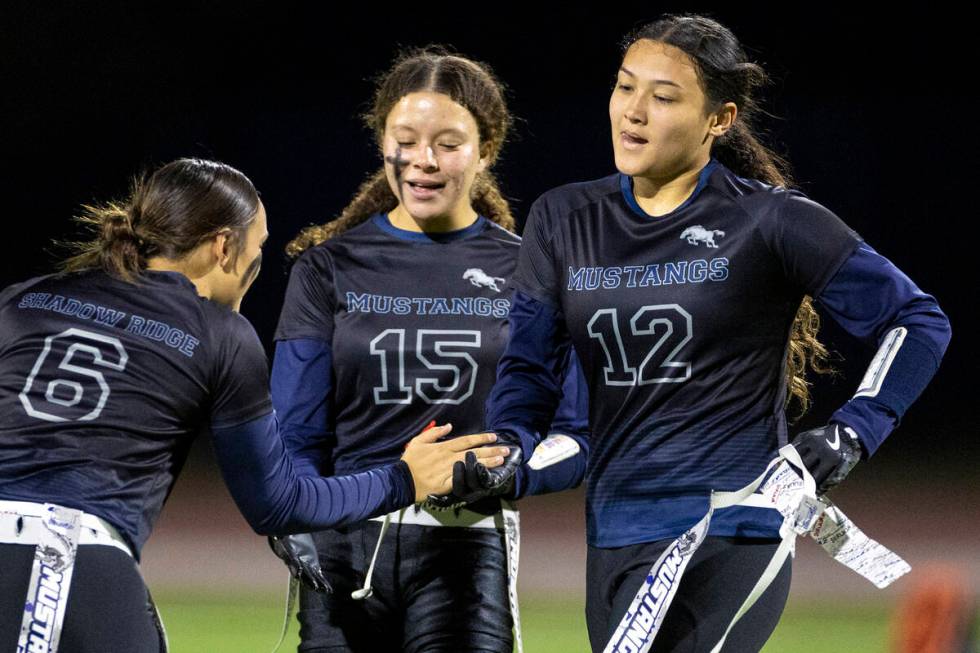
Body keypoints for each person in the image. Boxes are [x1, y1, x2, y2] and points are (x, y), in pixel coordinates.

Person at [464, 14, 953, 653]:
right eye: (624, 87)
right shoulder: (562, 219)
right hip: (614, 532)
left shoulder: (770, 220)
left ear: (719, 120)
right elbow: (527, 375)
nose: (633, 112)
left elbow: (919, 321)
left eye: (664, 98)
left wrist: (857, 428)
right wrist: (505, 450)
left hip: (736, 528)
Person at [0, 157, 505, 653]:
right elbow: (278, 503)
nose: (256, 268)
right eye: (257, 249)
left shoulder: (23, 298)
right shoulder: (220, 333)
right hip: (63, 562)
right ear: (223, 246)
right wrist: (405, 478)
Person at [270, 47, 589, 653]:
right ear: (382, 144)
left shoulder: (531, 270)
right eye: (406, 139)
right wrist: (297, 514)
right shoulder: (326, 269)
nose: (424, 161)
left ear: (485, 151)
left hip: (466, 549)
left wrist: (510, 469)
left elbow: (576, 435)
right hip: (344, 547)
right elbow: (295, 432)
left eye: (448, 142)